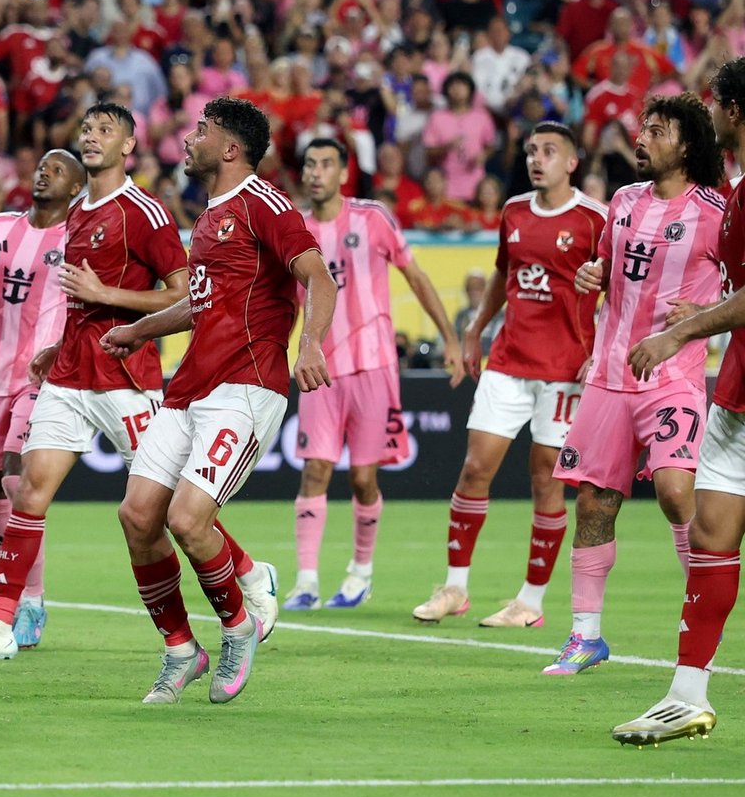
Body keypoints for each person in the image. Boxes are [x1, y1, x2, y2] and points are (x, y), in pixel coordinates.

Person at [0, 104, 275, 669]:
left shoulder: (145, 212)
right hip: (70, 373)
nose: (91, 137)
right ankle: (1, 623)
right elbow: (79, 298)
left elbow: (185, 294)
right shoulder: (75, 214)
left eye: (105, 130)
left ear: (128, 147)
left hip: (126, 378)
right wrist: (59, 342)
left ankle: (247, 569)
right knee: (29, 490)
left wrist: (112, 297)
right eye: (87, 128)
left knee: (163, 503)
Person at [104, 99, 336, 703]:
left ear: (230, 148)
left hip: (246, 386)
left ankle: (238, 625)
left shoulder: (265, 203)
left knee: (186, 518)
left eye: (201, 131)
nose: (188, 138)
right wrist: (138, 330)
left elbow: (319, 276)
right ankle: (182, 649)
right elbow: (201, 303)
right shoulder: (209, 217)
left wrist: (309, 344)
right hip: (189, 387)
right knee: (137, 517)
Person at [543, 94, 724, 674]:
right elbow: (604, 270)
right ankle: (585, 635)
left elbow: (736, 290)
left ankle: (703, 610)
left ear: (688, 144)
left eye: (657, 130)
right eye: (642, 128)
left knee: (676, 491)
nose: (641, 139)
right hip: (608, 375)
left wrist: (704, 307)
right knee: (594, 502)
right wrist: (590, 275)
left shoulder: (717, 211)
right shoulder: (621, 202)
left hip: (673, 376)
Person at [414, 124, 607, 628]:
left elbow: (620, 289)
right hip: (509, 360)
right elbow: (504, 272)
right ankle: (455, 587)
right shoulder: (514, 211)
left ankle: (531, 601)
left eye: (548, 151)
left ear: (571, 162)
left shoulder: (595, 220)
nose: (536, 160)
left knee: (546, 476)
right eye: (530, 152)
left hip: (566, 369)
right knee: (476, 468)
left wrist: (604, 349)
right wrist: (477, 326)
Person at [614, 59, 745, 743]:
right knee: (709, 535)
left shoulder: (733, 198)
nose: (710, 113)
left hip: (712, 380)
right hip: (737, 395)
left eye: (716, 104)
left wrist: (682, 332)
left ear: (731, 112)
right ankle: (687, 695)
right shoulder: (737, 191)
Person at [285, 138, 463, 611]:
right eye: (310, 164)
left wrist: (449, 337)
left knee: (363, 478)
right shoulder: (293, 227)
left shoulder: (373, 217)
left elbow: (416, 277)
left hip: (373, 365)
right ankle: (305, 581)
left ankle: (360, 573)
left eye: (326, 164)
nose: (317, 172)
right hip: (318, 367)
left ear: (343, 172)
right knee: (315, 469)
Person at [0, 149, 85, 650]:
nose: (45, 172)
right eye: (43, 166)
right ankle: (11, 592)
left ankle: (29, 602)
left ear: (76, 188)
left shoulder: (77, 237)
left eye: (59, 169)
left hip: (41, 375)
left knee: (14, 476)